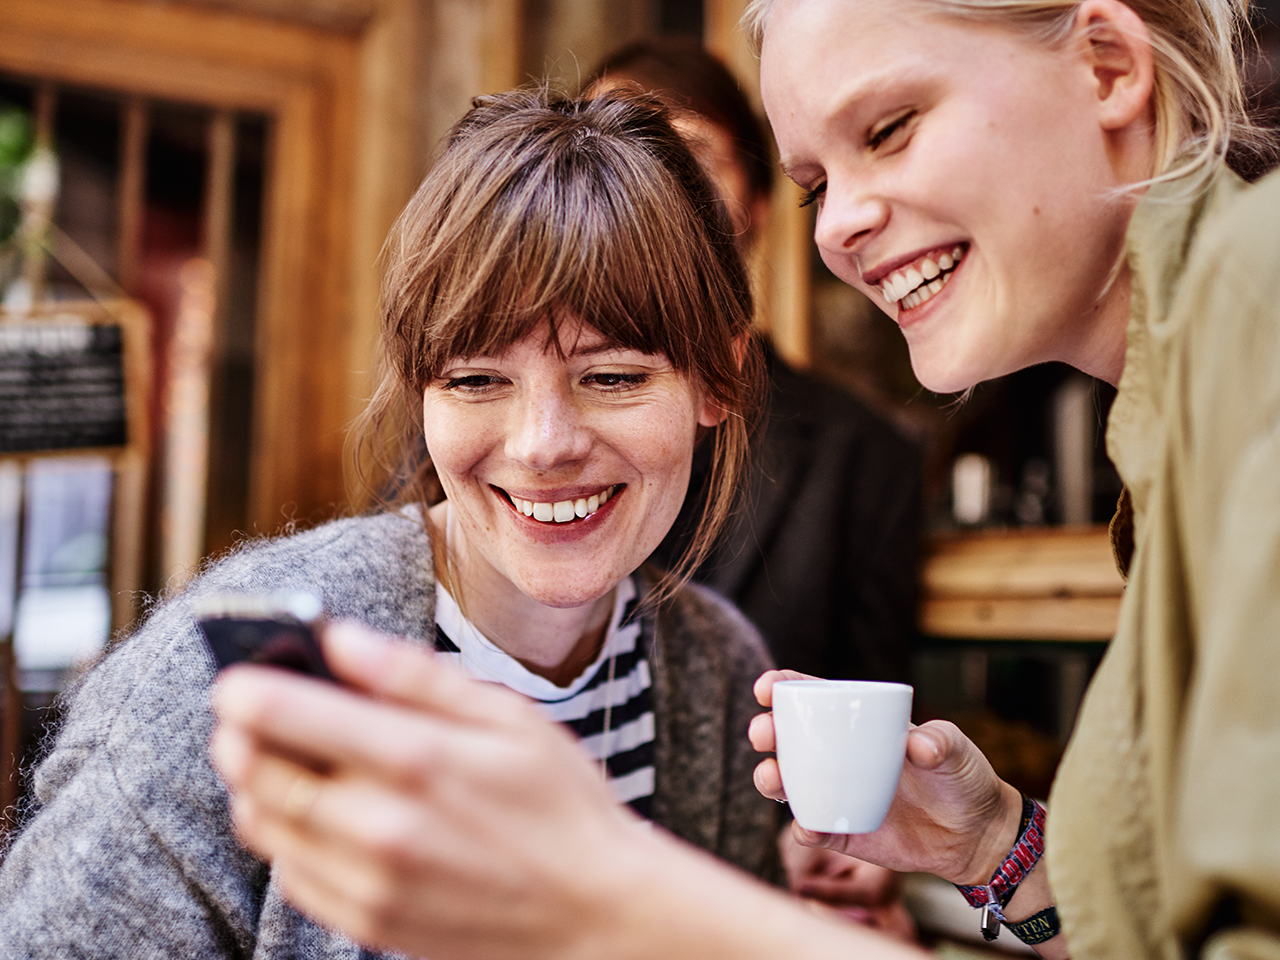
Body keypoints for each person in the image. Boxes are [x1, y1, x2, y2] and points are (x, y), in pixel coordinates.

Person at [207, 1, 1280, 958]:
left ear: (1104, 65)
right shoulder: (1177, 403)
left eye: (888, 129)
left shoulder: (1255, 305)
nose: (842, 226)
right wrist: (996, 847)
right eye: (816, 181)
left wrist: (606, 891)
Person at [0, 88, 785, 956]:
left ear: (718, 379)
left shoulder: (719, 678)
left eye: (613, 378)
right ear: (420, 390)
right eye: (476, 380)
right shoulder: (222, 682)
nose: (543, 446)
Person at [586, 40, 921, 943]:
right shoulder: (487, 443)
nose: (643, 183)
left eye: (682, 154)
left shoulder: (866, 459)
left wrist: (846, 859)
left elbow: (862, 757)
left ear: (762, 210)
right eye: (607, 151)